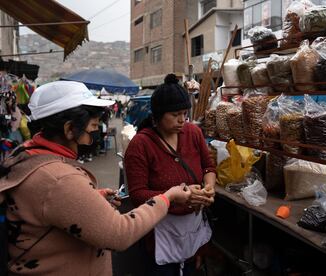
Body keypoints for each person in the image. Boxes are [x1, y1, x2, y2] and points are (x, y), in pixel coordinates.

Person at [0, 81, 191, 275]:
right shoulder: (60, 179)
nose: (94, 137)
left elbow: (47, 203)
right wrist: (167, 198)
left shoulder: (26, 152)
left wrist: (89, 198)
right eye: (91, 131)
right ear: (69, 129)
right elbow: (119, 234)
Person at [124, 74, 216, 276]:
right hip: (159, 234)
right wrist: (175, 196)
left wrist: (208, 189)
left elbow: (208, 167)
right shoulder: (141, 145)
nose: (182, 120)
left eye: (185, 113)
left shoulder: (193, 133)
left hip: (192, 228)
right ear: (157, 115)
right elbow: (137, 195)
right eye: (175, 114)